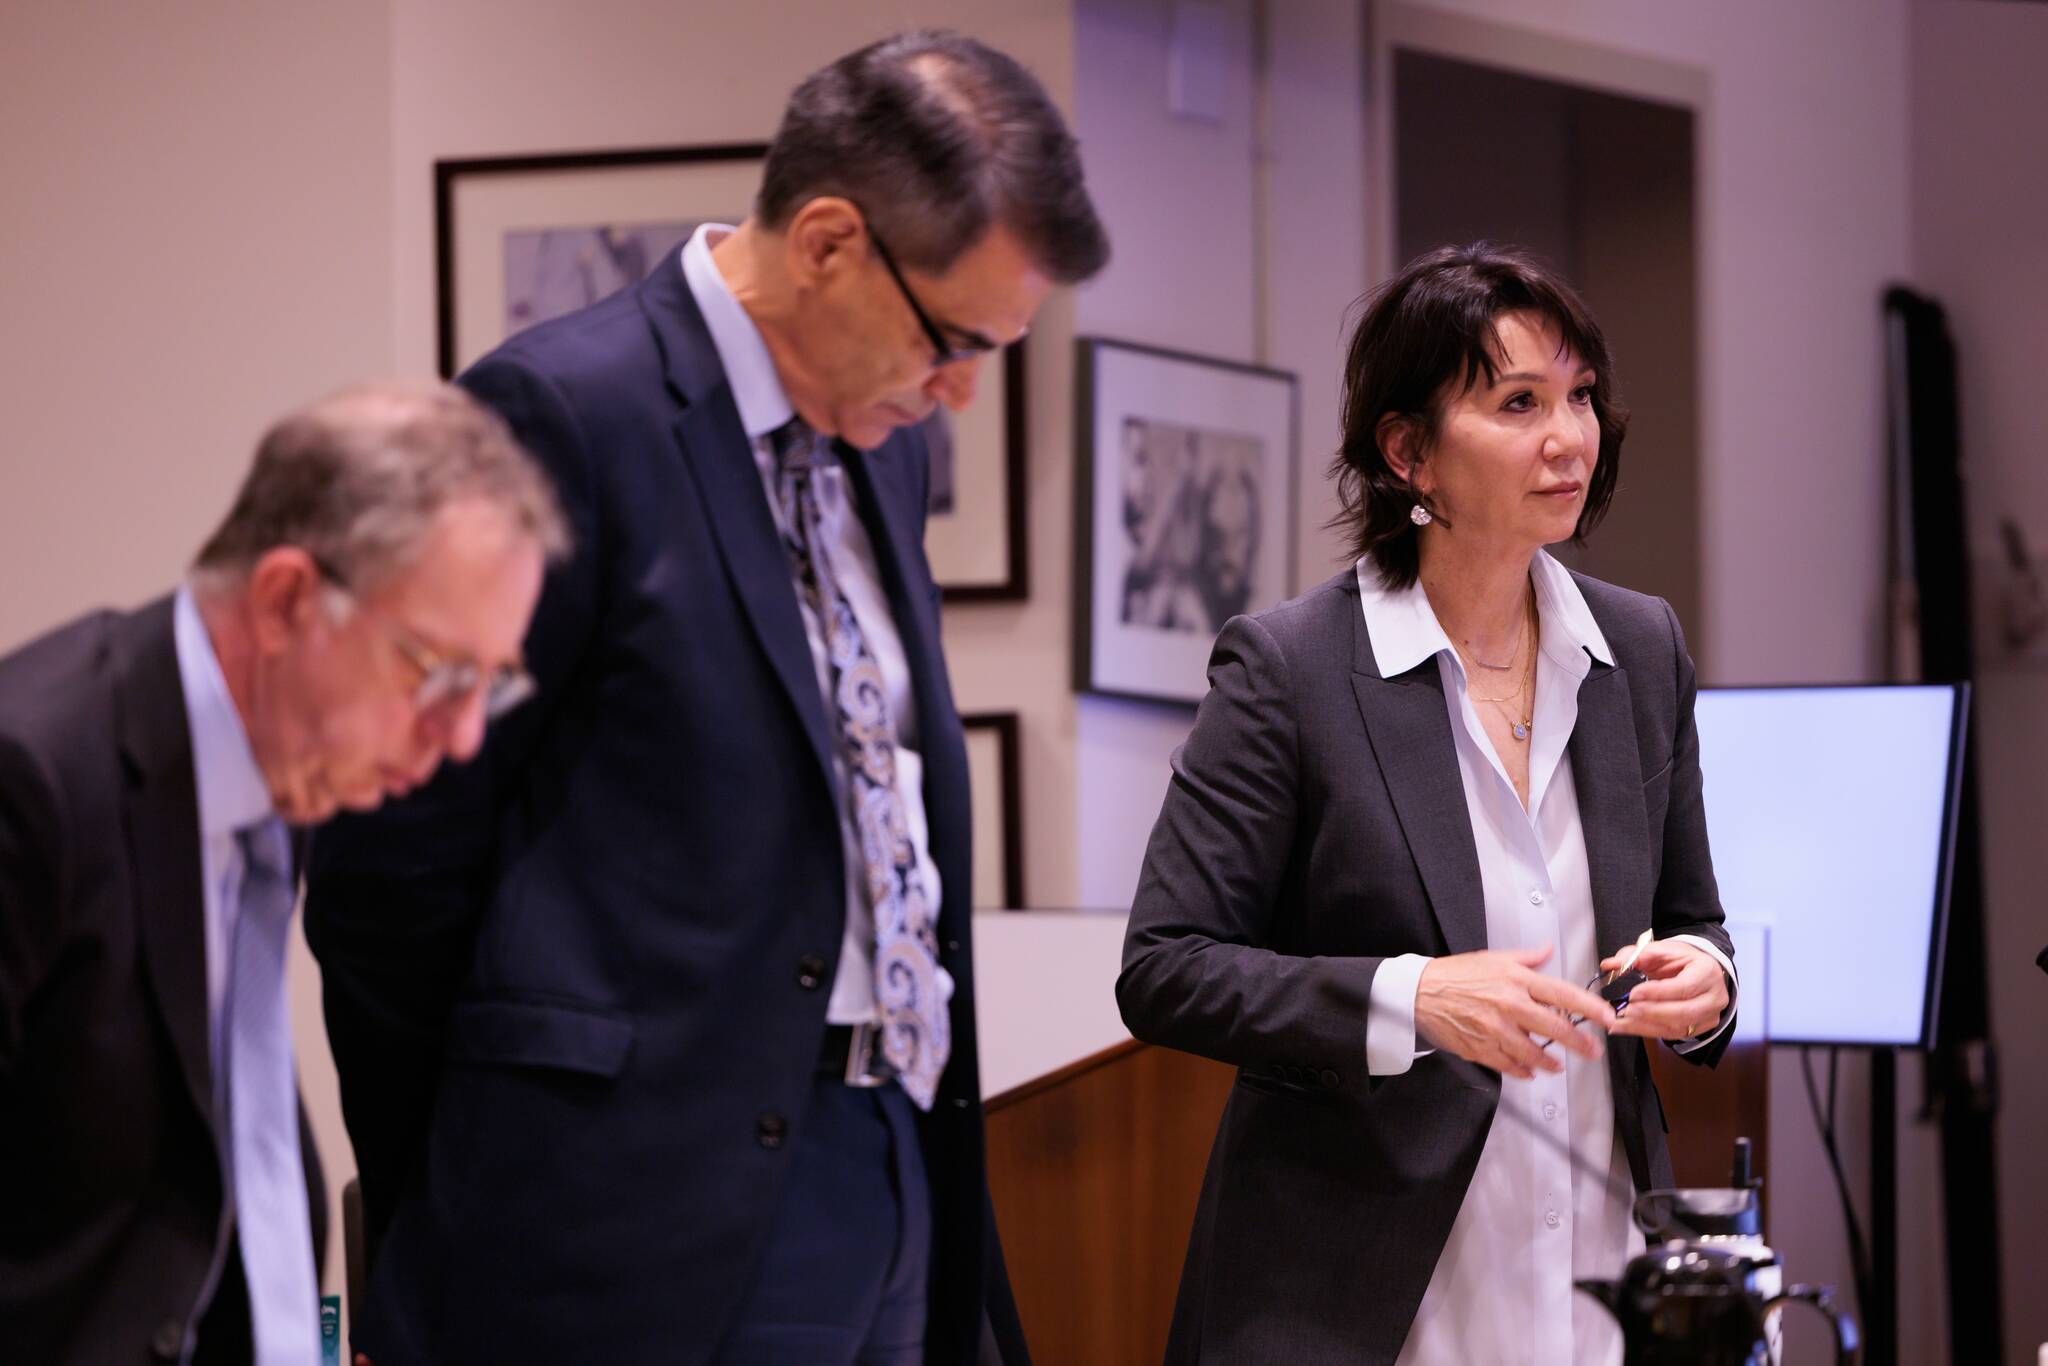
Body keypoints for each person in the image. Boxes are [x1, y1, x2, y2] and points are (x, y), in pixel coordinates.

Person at [303, 31, 1108, 1366]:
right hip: (622, 1213)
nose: (962, 390)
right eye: (954, 339)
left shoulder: (883, 457)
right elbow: (390, 865)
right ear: (830, 243)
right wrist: (441, 1202)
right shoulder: (560, 414)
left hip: (889, 1170)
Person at [1117, 243, 1738, 1366]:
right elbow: (1165, 967)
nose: (1568, 437)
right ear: (1408, 453)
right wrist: (1412, 997)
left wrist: (1708, 983)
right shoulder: (1290, 667)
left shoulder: (1638, 646)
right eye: (1516, 402)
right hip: (1359, 1295)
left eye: (1579, 395)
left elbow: (1693, 917)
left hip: (1598, 1261)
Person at [0, 383, 565, 1366]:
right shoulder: (34, 782)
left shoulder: (281, 778)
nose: (464, 735)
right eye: (439, 673)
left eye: (492, 684)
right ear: (286, 602)